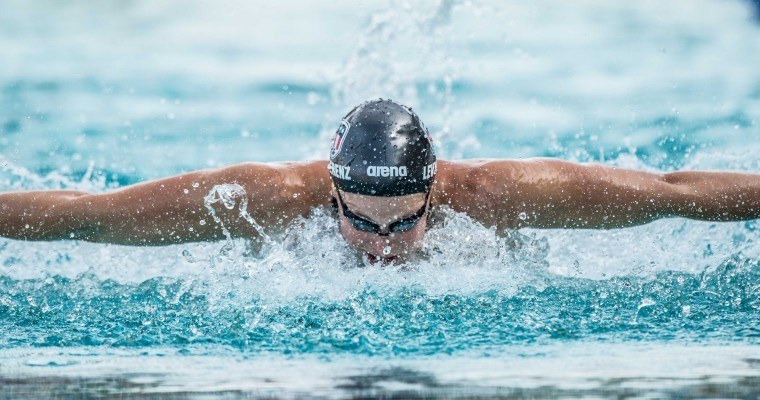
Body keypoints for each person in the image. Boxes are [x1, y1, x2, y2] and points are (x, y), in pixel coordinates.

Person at [0, 99, 758, 262]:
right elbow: (87, 215)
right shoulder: (261, 198)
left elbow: (674, 194)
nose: (383, 247)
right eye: (360, 221)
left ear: (434, 194)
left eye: (404, 222)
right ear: (330, 194)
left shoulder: (499, 194)